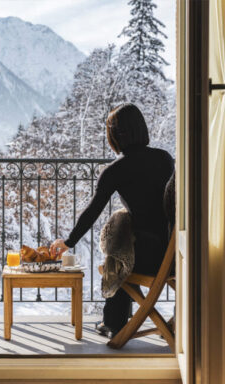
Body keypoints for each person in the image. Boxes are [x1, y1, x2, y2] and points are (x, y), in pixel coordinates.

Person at [50, 104, 174, 338]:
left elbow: (93, 211)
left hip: (148, 258)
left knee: (118, 256)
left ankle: (114, 322)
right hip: (174, 253)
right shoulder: (164, 159)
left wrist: (68, 242)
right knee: (129, 243)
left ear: (115, 135)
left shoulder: (117, 170)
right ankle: (116, 319)